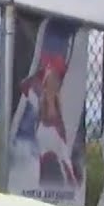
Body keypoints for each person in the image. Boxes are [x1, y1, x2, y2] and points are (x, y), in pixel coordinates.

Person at [20, 54, 78, 188]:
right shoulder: (41, 99)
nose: (53, 83)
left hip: (52, 136)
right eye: (50, 80)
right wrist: (43, 71)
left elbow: (24, 85)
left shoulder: (57, 100)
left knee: (62, 164)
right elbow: (24, 86)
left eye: (55, 81)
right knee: (48, 164)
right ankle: (44, 188)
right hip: (46, 135)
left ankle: (66, 189)